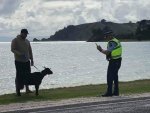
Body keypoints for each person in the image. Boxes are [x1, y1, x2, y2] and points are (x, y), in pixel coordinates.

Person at [96, 30, 122, 97]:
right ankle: (116, 92)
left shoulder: (112, 42)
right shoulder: (116, 40)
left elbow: (107, 52)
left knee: (109, 77)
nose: (106, 38)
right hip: (118, 60)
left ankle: (109, 92)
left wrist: (100, 50)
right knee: (115, 76)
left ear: (110, 36)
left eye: (106, 36)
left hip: (114, 61)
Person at [11, 29, 34, 96]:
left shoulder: (27, 41)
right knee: (19, 76)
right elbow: (12, 49)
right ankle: (18, 91)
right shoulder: (15, 40)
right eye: (25, 34)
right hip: (19, 61)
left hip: (27, 61)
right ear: (21, 33)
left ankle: (27, 89)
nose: (26, 35)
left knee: (28, 75)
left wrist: (32, 60)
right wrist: (19, 54)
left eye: (27, 34)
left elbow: (30, 51)